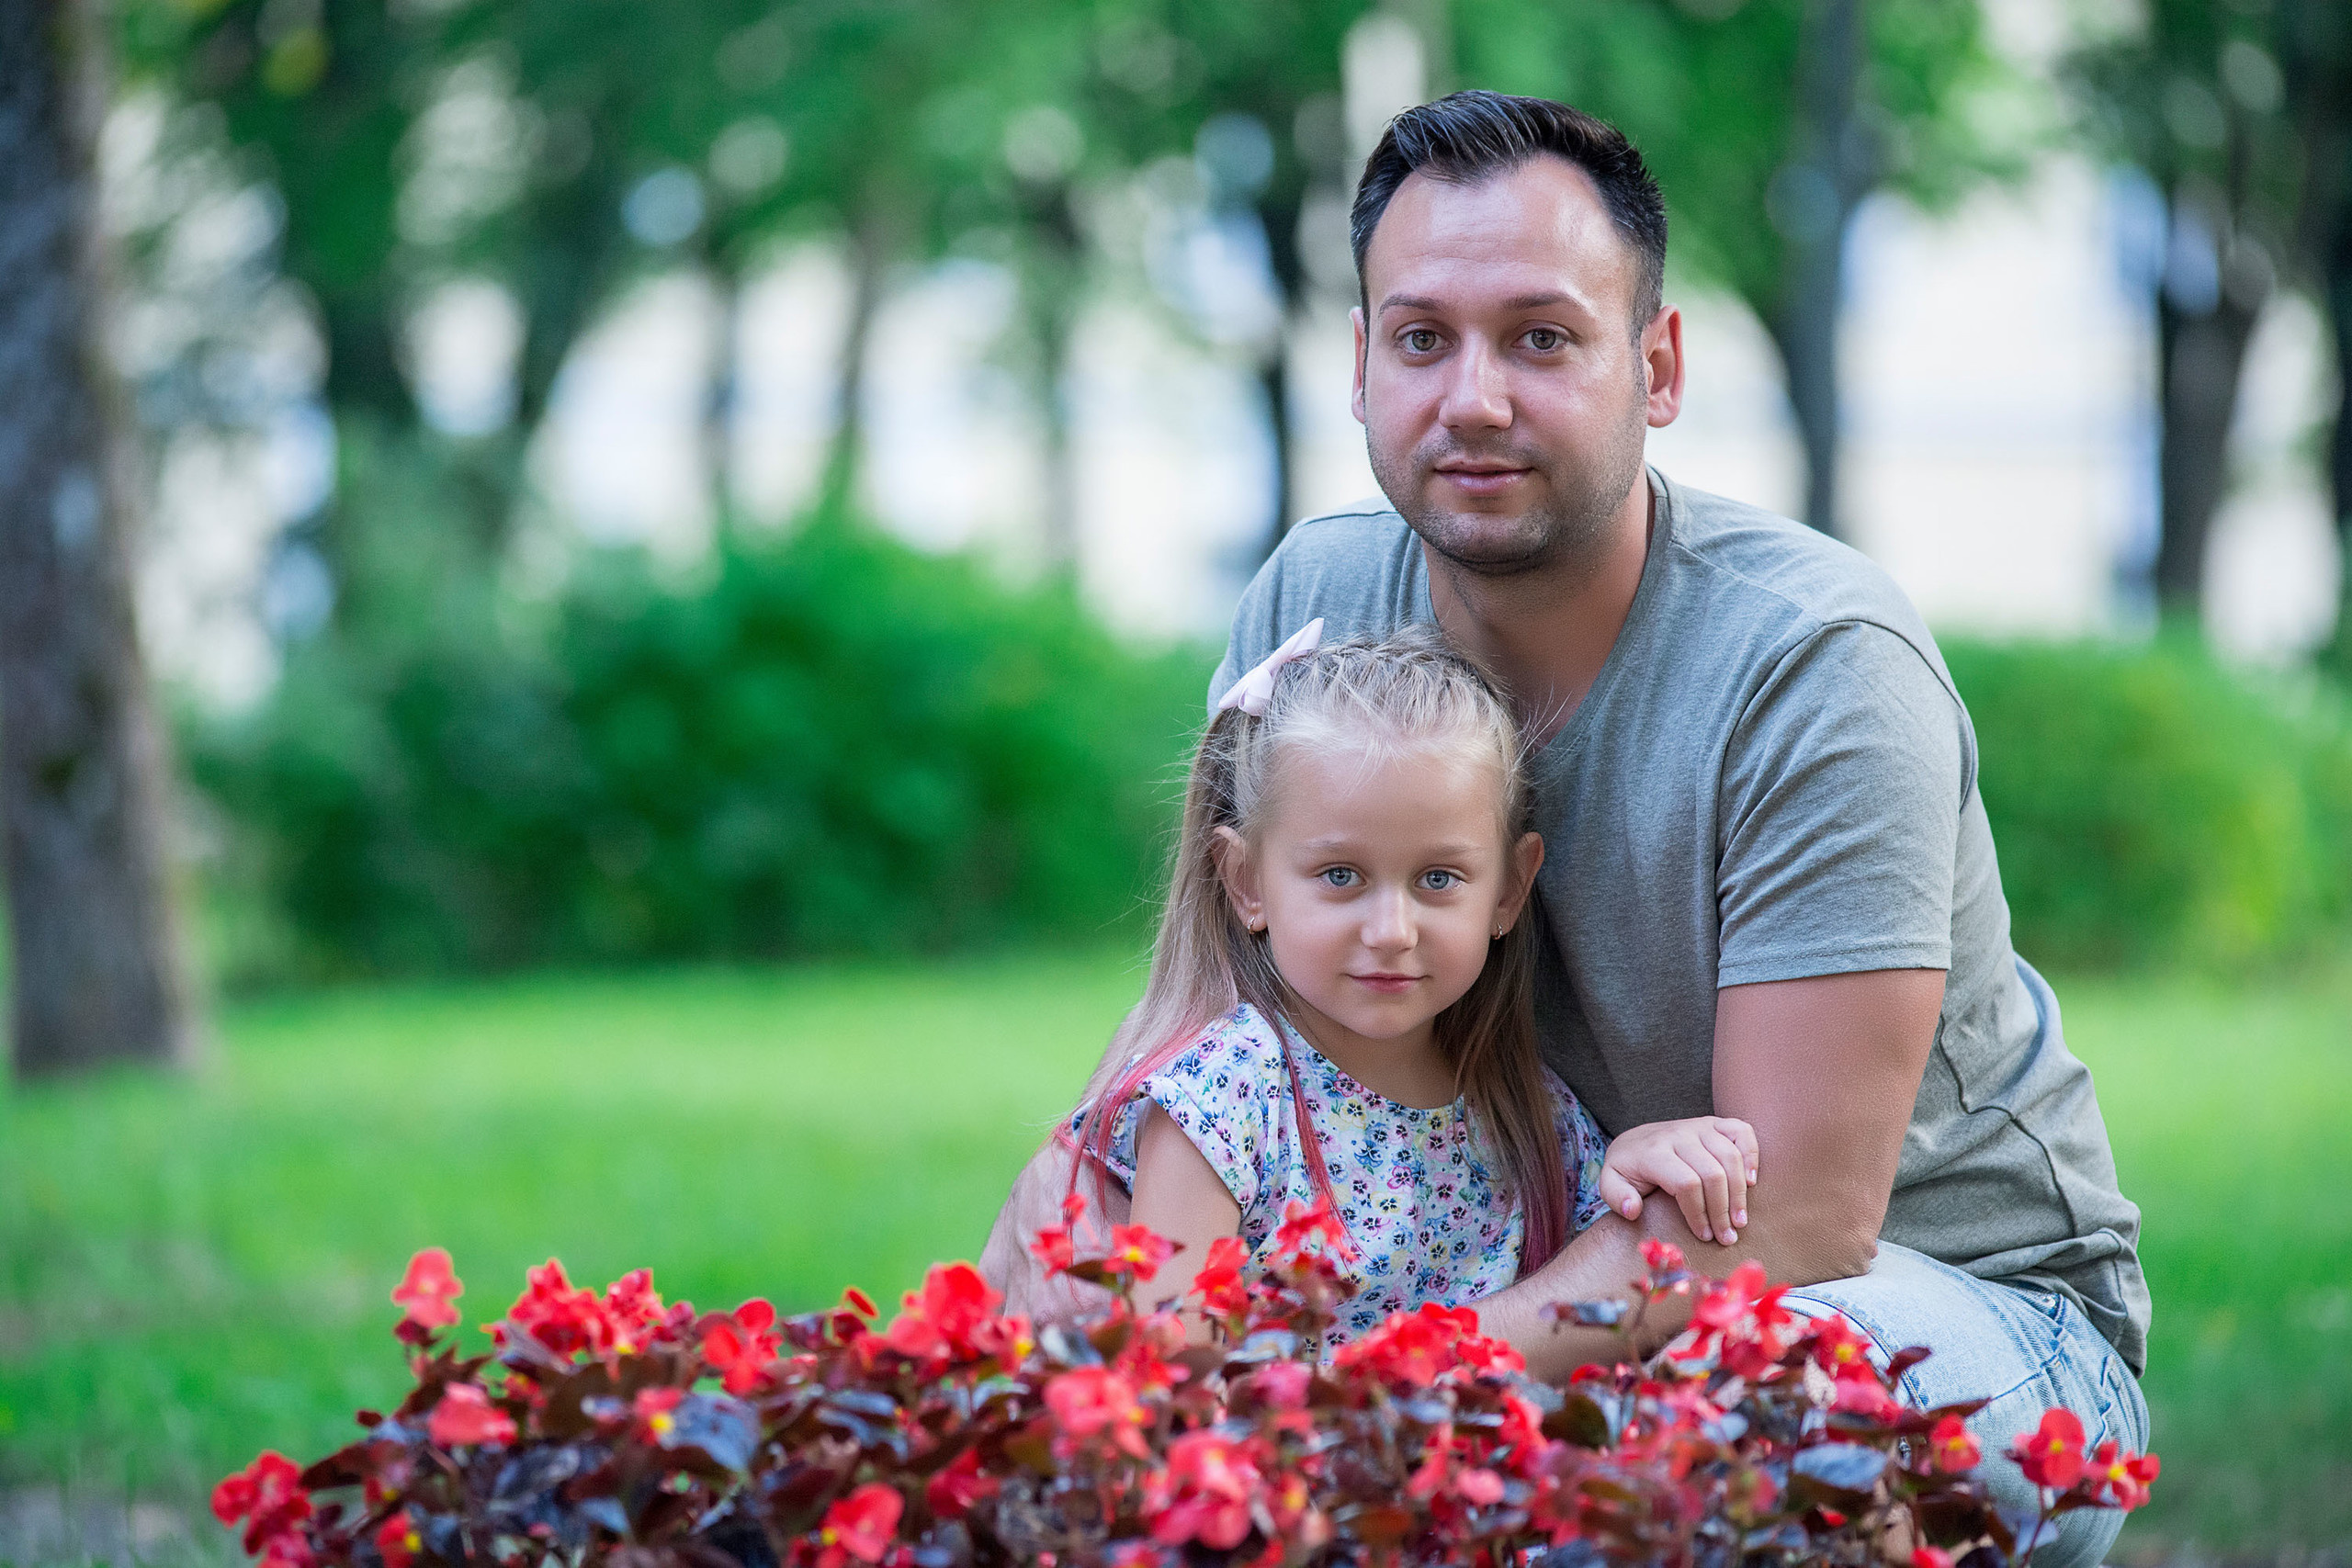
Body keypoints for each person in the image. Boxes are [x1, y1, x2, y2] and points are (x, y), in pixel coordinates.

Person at [983, 90, 2149, 1566]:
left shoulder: (1818, 664)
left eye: (1542, 337)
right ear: (1357, 368)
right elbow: (1206, 998)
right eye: (1422, 338)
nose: (1474, 397)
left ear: (1655, 365)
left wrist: (1407, 1384)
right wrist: (1079, 1205)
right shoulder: (1314, 600)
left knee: (1713, 1409)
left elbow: (1793, 1216)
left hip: (1948, 1305)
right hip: (1526, 1279)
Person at [1062, 623, 1763, 1345]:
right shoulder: (1223, 1101)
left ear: (1509, 890)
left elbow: (1599, 1280)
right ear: (1246, 881)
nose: (1392, 929)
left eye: (1438, 878)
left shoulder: (1533, 1118)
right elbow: (1170, 1375)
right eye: (1341, 875)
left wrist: (1632, 1168)